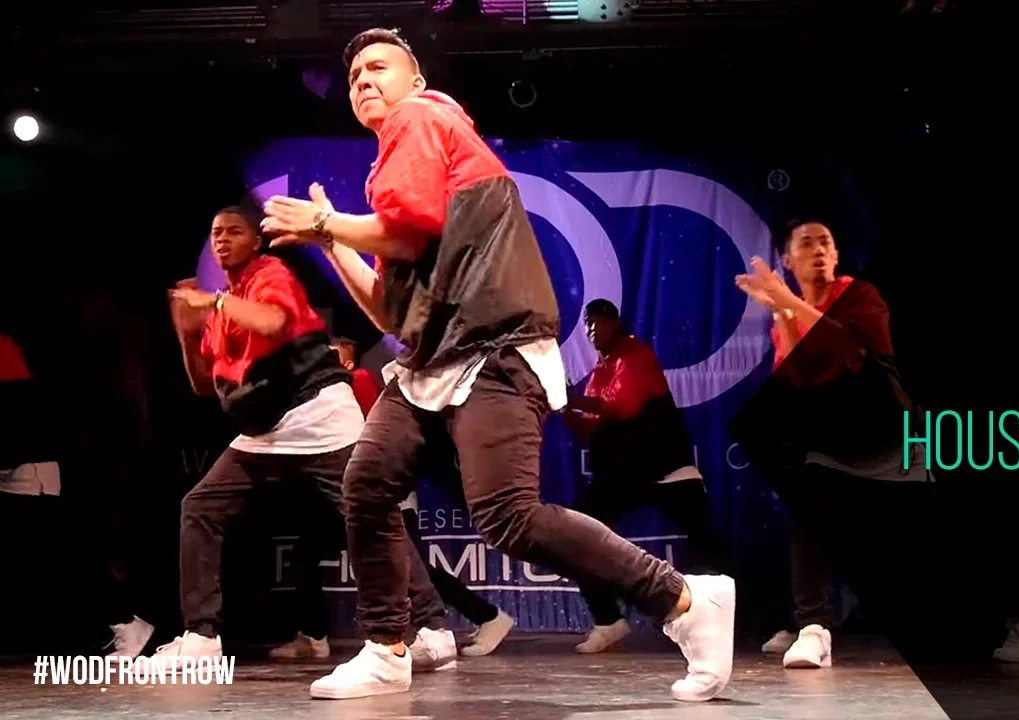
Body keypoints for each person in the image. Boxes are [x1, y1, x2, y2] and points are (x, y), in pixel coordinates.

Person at [261, 27, 734, 701]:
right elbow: (391, 314)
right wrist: (331, 240)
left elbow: (408, 230)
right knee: (366, 484)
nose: (363, 80)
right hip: (433, 362)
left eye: (378, 67)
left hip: (494, 347)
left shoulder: (423, 117)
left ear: (416, 82)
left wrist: (327, 225)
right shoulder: (399, 170)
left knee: (509, 516)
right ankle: (387, 648)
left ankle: (685, 600)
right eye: (355, 75)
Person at [148, 206, 457, 671]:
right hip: (266, 430)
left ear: (255, 242)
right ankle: (201, 637)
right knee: (200, 507)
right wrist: (186, 332)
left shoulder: (268, 274)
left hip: (317, 415)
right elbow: (202, 385)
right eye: (216, 233)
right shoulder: (225, 304)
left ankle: (433, 628)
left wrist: (212, 303)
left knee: (371, 516)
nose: (222, 240)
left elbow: (272, 321)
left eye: (234, 231)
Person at [735, 218, 932, 669]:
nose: (819, 249)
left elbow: (851, 349)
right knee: (807, 511)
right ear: (788, 260)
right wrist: (782, 314)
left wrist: (786, 302)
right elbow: (800, 378)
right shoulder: (788, 314)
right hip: (835, 446)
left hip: (891, 435)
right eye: (806, 243)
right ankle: (813, 629)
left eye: (826, 242)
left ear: (838, 254)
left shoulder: (860, 295)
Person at [271, 337, 514, 660]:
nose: (321, 363)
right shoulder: (325, 390)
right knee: (309, 552)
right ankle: (313, 636)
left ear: (347, 363)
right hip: (348, 495)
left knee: (408, 568)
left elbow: (365, 437)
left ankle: (487, 617)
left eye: (331, 357)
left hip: (380, 493)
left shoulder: (357, 381)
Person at [563, 299, 728, 654]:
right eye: (587, 324)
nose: (592, 330)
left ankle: (772, 621)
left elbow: (622, 405)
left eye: (598, 322)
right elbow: (590, 428)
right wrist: (564, 409)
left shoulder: (635, 354)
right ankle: (608, 621)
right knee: (574, 537)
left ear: (615, 323)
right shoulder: (600, 370)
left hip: (667, 471)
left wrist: (573, 400)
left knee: (710, 545)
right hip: (623, 478)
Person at [0, 333, 155, 658]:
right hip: (18, 466)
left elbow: (19, 417)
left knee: (65, 547)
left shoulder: (5, 352)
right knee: (63, 547)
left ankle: (126, 623)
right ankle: (125, 623)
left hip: (27, 469)